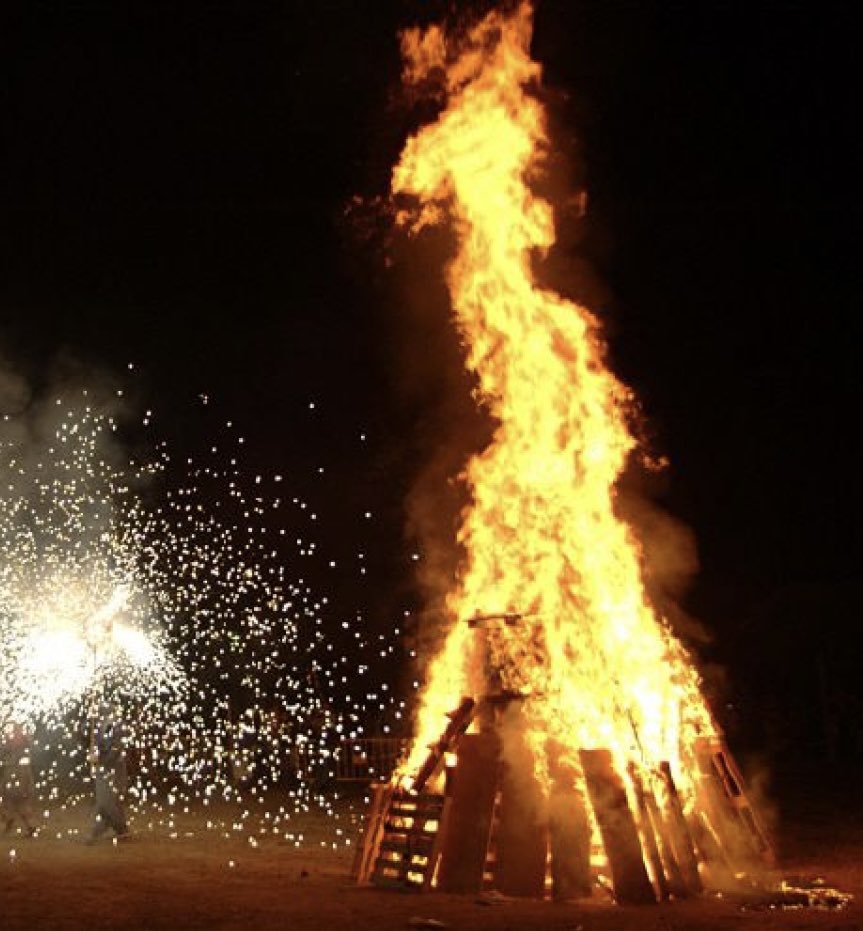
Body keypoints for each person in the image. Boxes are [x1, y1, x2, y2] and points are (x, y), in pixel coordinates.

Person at [86, 704, 129, 843]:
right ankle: (121, 829)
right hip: (103, 767)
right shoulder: (101, 726)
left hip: (114, 768)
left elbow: (116, 748)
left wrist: (101, 759)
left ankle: (100, 831)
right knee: (106, 801)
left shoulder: (116, 726)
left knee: (108, 801)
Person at [0, 722, 37, 836]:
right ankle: (12, 820)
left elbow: (4, 751)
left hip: (17, 774)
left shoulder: (17, 741)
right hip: (18, 774)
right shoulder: (24, 740)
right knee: (13, 801)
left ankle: (15, 821)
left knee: (17, 801)